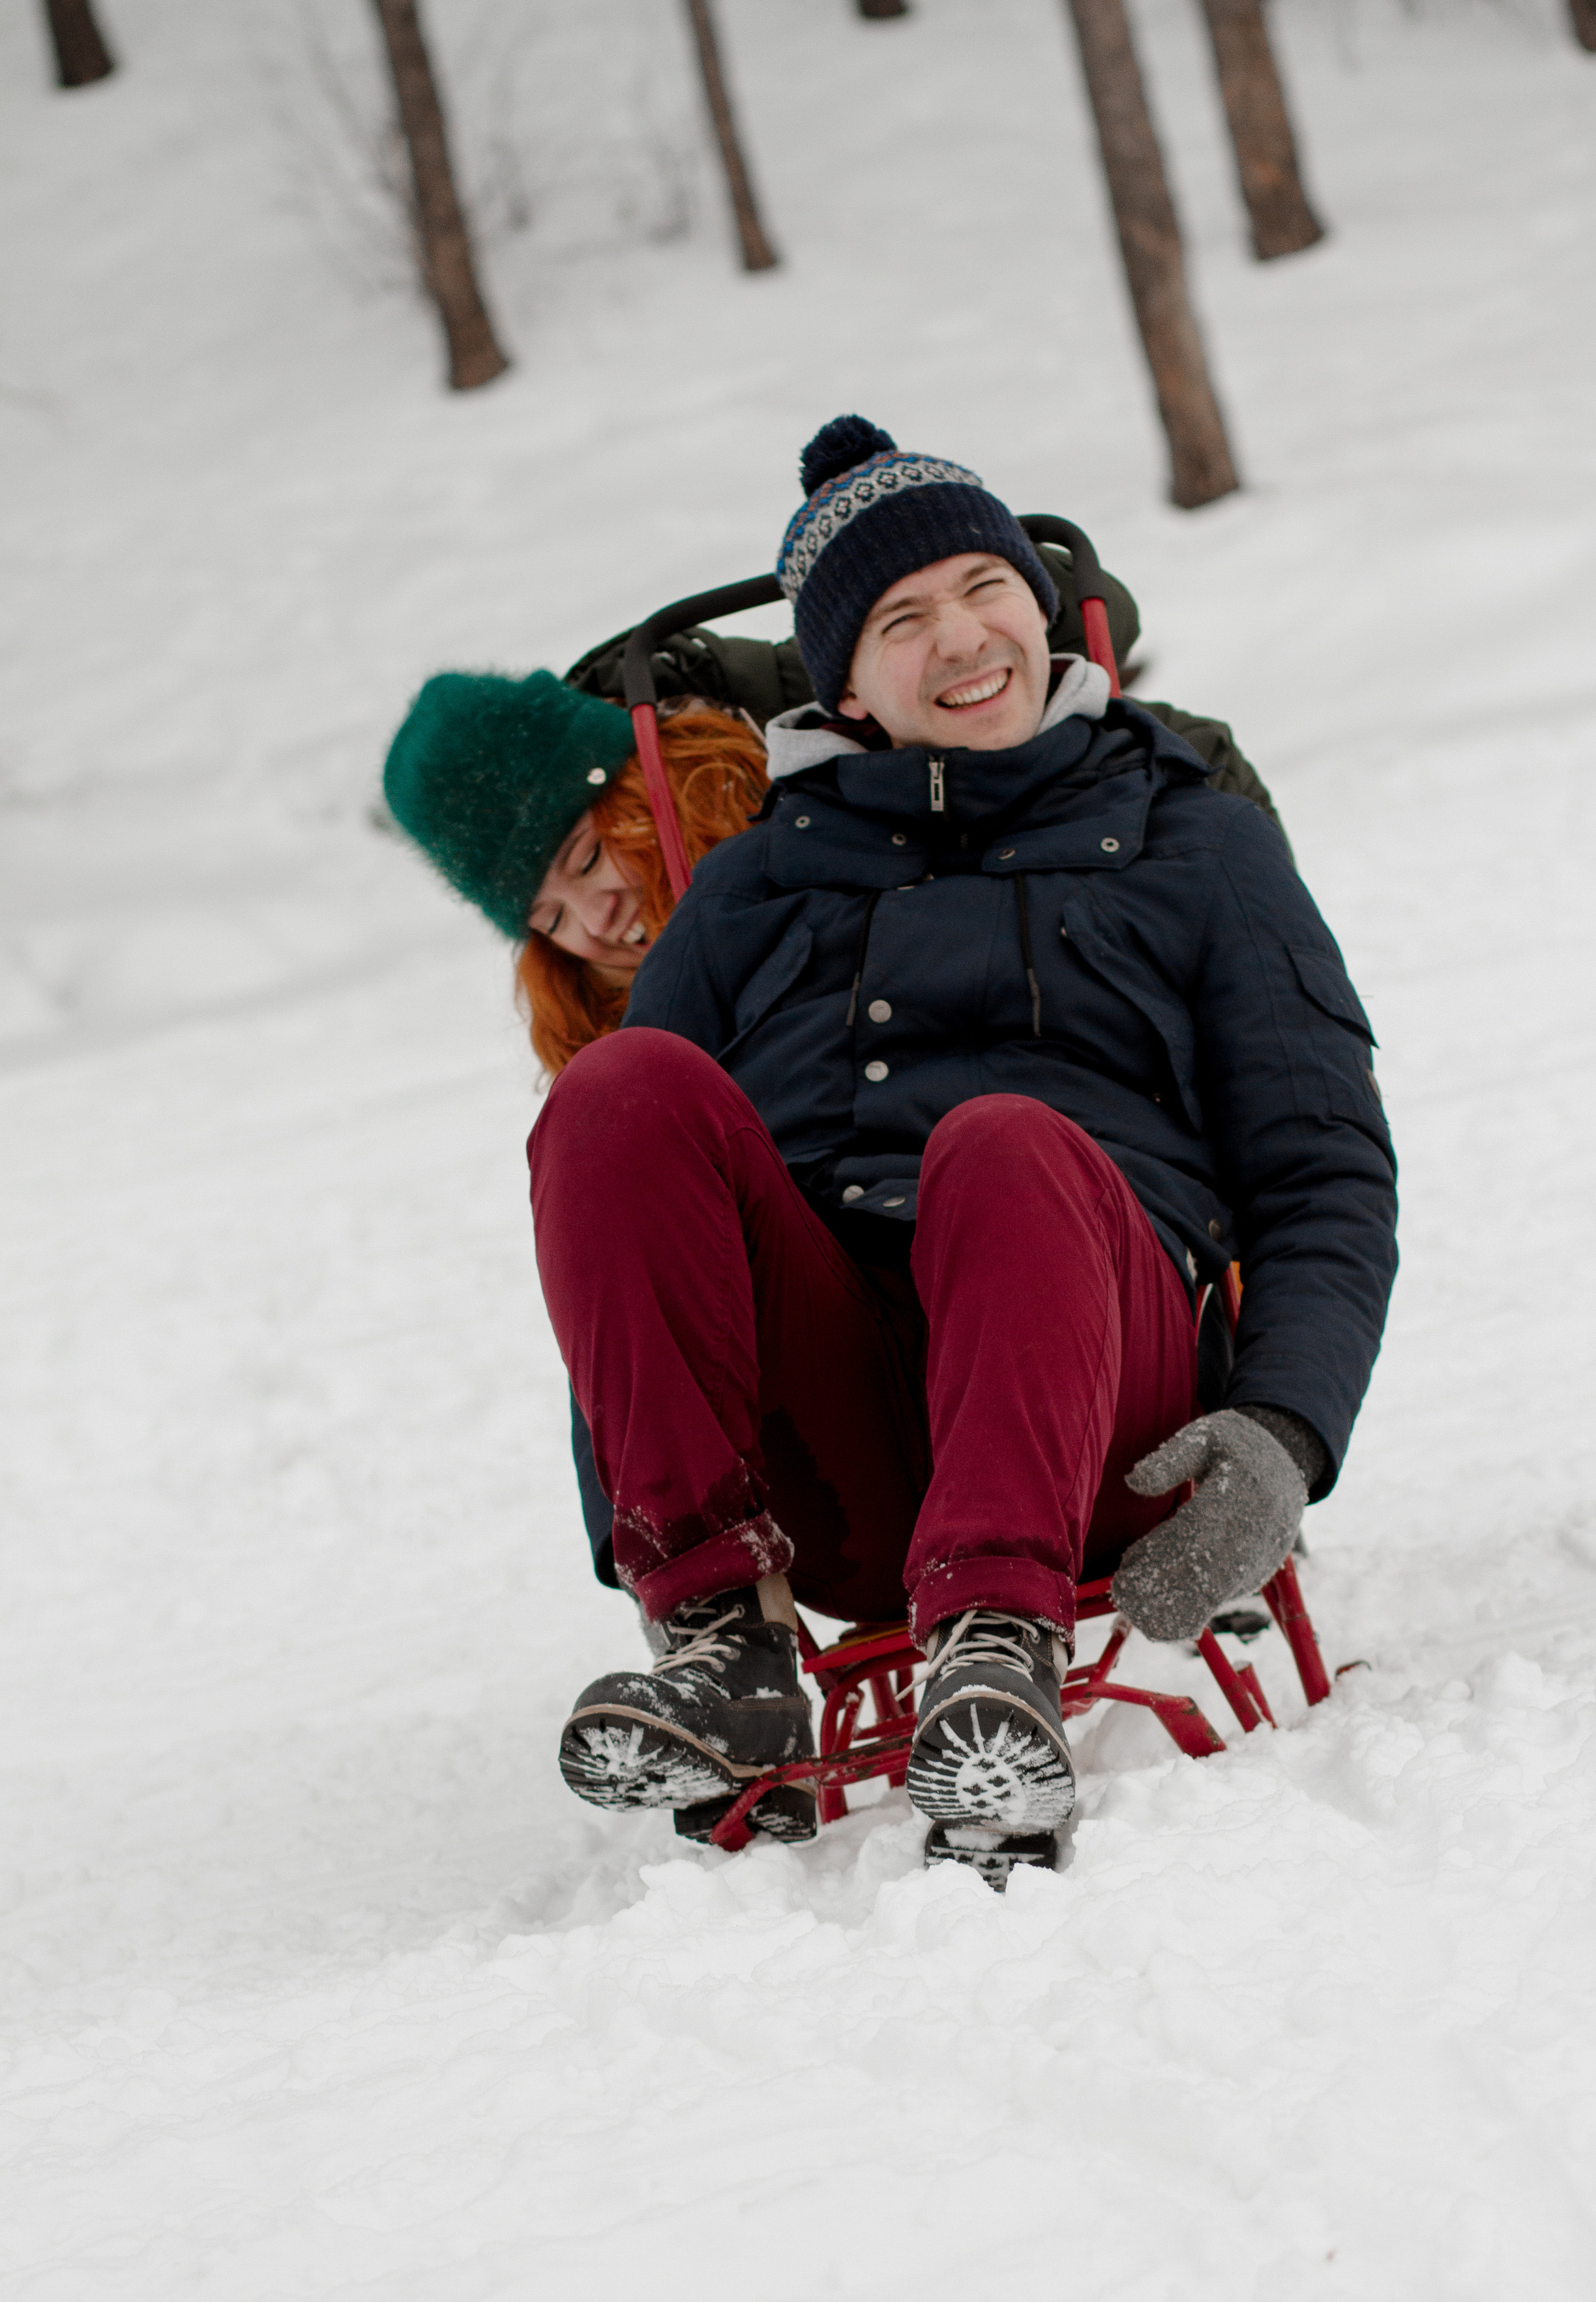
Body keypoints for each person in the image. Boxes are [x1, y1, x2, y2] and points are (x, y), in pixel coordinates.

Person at [530, 415, 1398, 1861]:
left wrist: (1285, 1434)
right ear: (846, 687)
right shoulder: (745, 895)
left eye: (983, 587)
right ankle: (723, 1654)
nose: (960, 636)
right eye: (898, 618)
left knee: (1005, 1140)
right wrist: (636, 1537)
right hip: (847, 1457)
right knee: (615, 1092)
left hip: (1106, 1422)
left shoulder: (1192, 837)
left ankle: (998, 1657)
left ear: (1039, 604)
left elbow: (1320, 1165)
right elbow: (629, 1240)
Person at [380, 671, 768, 1072]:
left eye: (589, 860)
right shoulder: (620, 1067)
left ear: (656, 786)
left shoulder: (816, 827)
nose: (597, 921)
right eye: (553, 920)